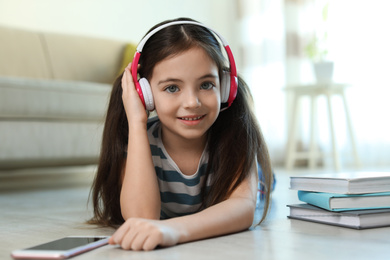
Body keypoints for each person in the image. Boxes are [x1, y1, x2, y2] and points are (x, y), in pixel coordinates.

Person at [89, 17, 273, 251]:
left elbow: (243, 208)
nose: (192, 102)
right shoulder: (137, 143)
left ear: (226, 86)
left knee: (263, 184)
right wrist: (136, 121)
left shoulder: (235, 134)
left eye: (206, 85)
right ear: (143, 92)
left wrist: (173, 229)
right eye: (172, 88)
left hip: (255, 180)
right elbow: (142, 217)